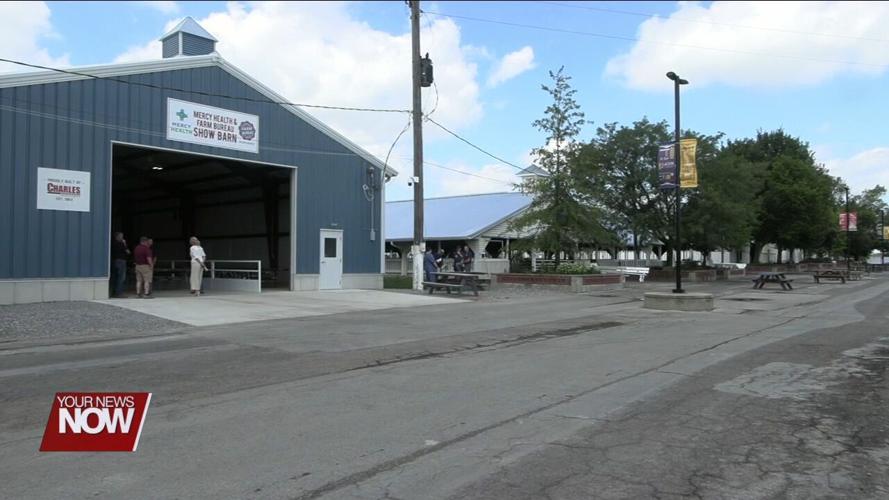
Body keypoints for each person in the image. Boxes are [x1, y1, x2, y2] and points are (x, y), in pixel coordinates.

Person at [110, 232, 130, 298]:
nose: (122, 238)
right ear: (118, 237)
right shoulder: (121, 243)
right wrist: (125, 243)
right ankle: (119, 293)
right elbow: (128, 252)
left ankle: (113, 292)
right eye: (121, 236)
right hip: (121, 261)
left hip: (114, 261)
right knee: (121, 277)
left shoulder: (112, 243)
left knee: (115, 277)